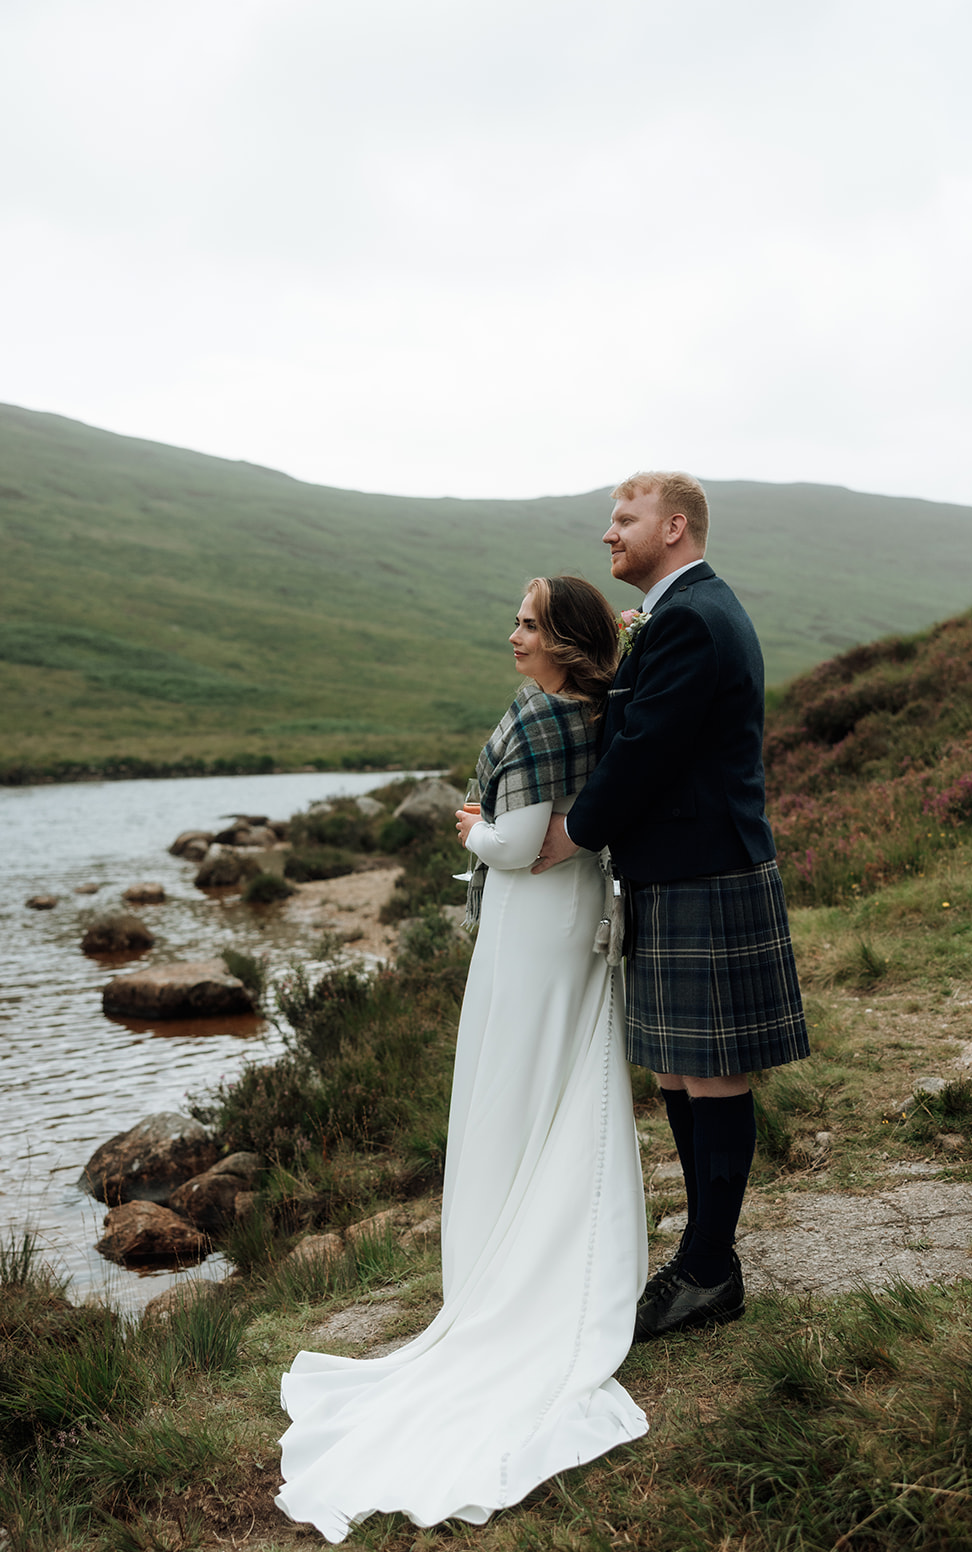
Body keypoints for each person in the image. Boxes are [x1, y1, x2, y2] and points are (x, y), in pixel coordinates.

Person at [275, 575, 648, 1540]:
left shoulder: (536, 720)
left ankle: (506, 1262)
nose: (512, 636)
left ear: (565, 641)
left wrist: (470, 830)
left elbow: (520, 845)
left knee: (513, 1080)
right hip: (576, 920)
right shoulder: (602, 714)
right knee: (562, 1080)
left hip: (532, 924)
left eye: (527, 624)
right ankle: (548, 1238)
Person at [533, 471, 808, 1342]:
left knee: (712, 1071)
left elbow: (648, 751)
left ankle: (708, 1270)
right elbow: (637, 727)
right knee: (679, 1071)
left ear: (675, 526)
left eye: (625, 519)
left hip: (704, 870)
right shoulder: (675, 612)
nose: (608, 534)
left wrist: (572, 832)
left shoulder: (689, 616)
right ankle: (702, 1257)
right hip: (675, 868)